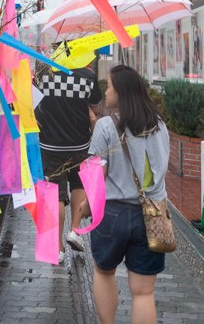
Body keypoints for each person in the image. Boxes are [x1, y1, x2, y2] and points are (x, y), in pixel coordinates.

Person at [82, 64, 169, 324]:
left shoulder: (105, 126)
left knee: (104, 273)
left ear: (121, 91)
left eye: (109, 86)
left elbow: (97, 174)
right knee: (144, 292)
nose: (106, 92)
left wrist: (87, 203)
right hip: (153, 213)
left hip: (112, 212)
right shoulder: (159, 125)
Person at [34, 61, 102, 264]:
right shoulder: (87, 75)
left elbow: (32, 102)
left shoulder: (43, 71)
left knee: (55, 193)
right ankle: (74, 231)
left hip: (50, 144)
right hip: (80, 143)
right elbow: (96, 108)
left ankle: (58, 248)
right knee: (79, 185)